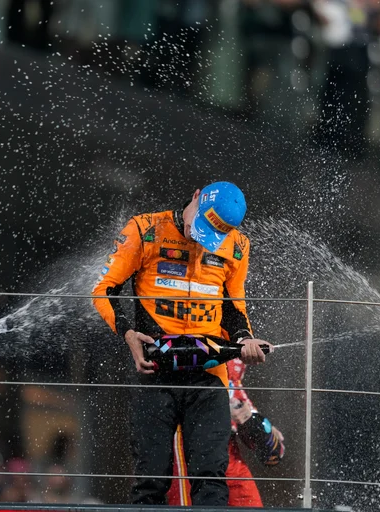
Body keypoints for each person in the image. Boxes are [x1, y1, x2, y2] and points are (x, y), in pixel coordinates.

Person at [92, 181, 271, 506]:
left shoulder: (237, 246)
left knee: (211, 480)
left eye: (211, 234)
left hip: (208, 378)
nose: (199, 236)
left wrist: (245, 339)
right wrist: (129, 334)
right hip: (156, 373)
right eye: (199, 225)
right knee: (151, 481)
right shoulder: (145, 229)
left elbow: (234, 307)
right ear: (195, 198)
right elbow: (104, 289)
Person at [167, 357, 285, 507]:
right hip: (190, 445)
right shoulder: (192, 375)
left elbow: (274, 454)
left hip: (226, 452)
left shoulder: (234, 388)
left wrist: (251, 422)